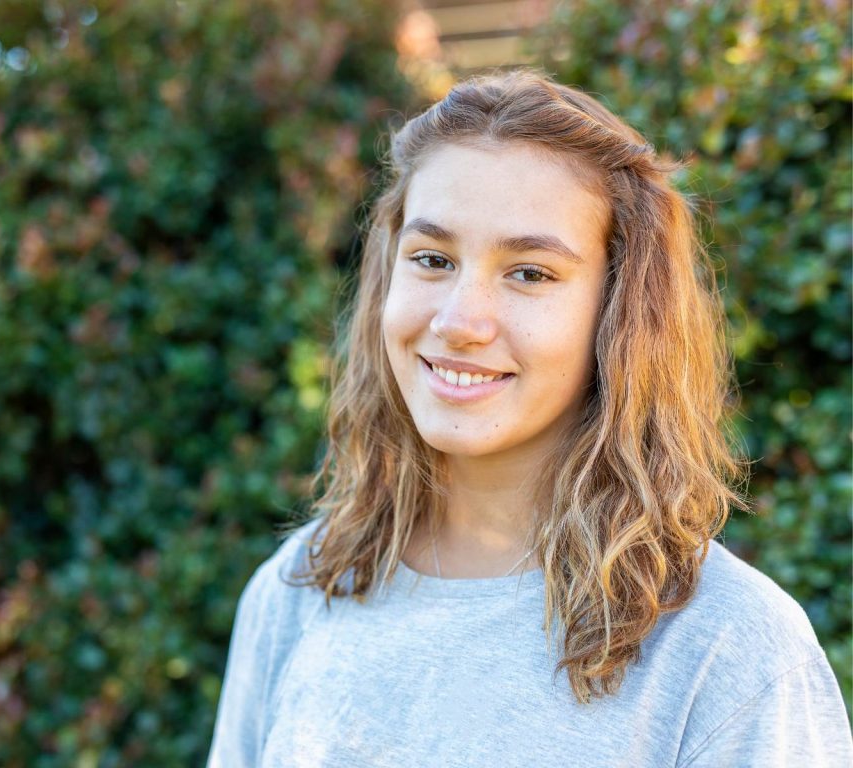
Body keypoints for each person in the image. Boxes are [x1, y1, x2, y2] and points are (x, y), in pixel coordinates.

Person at [205, 69, 853, 767]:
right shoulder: (299, 593)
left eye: (530, 273)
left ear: (619, 312)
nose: (459, 322)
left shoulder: (728, 650)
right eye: (432, 259)